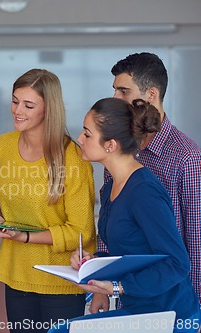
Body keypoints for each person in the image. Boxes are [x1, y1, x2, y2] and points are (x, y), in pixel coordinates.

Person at [48, 97, 201, 333]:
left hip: (170, 316)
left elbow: (177, 263)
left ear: (110, 145)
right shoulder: (111, 186)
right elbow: (129, 249)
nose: (79, 140)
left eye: (87, 134)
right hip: (140, 310)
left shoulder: (144, 192)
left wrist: (116, 288)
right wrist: (93, 262)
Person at [0, 69, 96, 333]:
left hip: (61, 281)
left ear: (48, 110)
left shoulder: (72, 157)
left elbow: (81, 231)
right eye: (15, 100)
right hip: (17, 276)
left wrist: (26, 237)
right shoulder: (4, 146)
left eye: (29, 105)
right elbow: (2, 202)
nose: (17, 110)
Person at [91, 52, 201, 311]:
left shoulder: (186, 157)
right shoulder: (119, 148)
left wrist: (195, 307)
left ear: (151, 94)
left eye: (123, 91)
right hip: (128, 296)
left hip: (172, 300)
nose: (116, 98)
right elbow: (110, 225)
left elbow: (196, 239)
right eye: (114, 90)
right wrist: (104, 284)